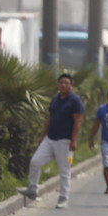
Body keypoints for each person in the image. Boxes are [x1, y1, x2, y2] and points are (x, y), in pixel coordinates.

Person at [17, 73, 84, 208]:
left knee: (64, 171)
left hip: (64, 141)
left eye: (66, 83)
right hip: (50, 138)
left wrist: (74, 140)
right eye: (61, 82)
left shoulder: (75, 101)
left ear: (71, 86)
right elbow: (50, 118)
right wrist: (43, 135)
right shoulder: (55, 99)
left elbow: (78, 121)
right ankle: (32, 189)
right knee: (35, 161)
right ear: (58, 84)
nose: (63, 85)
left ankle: (63, 199)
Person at [86, 87, 108, 194]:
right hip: (106, 141)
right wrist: (91, 138)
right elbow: (96, 124)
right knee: (107, 164)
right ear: (107, 97)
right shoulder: (102, 109)